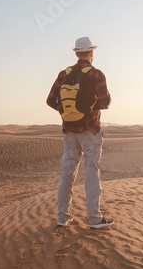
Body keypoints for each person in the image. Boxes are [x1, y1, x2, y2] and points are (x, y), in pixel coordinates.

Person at [46, 37, 114, 229]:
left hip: (69, 130)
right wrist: (89, 109)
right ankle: (94, 219)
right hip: (90, 129)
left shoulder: (63, 74)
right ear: (91, 53)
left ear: (76, 53)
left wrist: (68, 113)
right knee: (92, 172)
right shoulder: (96, 74)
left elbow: (51, 100)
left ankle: (63, 217)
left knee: (67, 173)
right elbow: (106, 102)